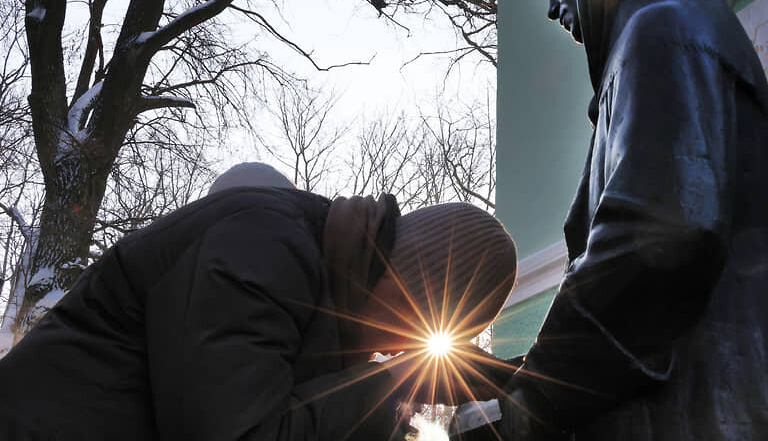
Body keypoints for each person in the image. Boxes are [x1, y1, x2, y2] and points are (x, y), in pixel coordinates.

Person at [499, 0, 768, 439]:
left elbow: (662, 234)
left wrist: (538, 392)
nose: (552, 4)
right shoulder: (678, 34)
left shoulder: (662, 33)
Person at [0, 162, 517, 440]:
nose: (392, 349)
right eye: (406, 335)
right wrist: (394, 382)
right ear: (409, 299)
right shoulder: (267, 247)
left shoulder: (321, 287)